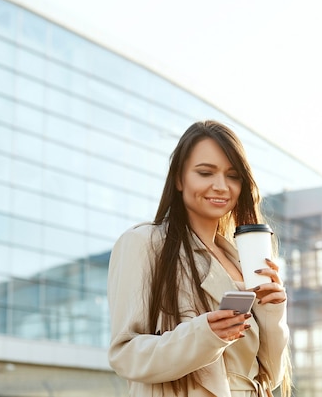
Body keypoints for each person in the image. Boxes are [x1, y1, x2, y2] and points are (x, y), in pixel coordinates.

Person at [107, 120, 292, 397]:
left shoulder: (242, 258)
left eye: (233, 176)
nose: (221, 186)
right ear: (179, 179)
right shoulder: (145, 243)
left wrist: (272, 311)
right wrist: (204, 335)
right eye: (205, 173)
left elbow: (270, 376)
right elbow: (126, 356)